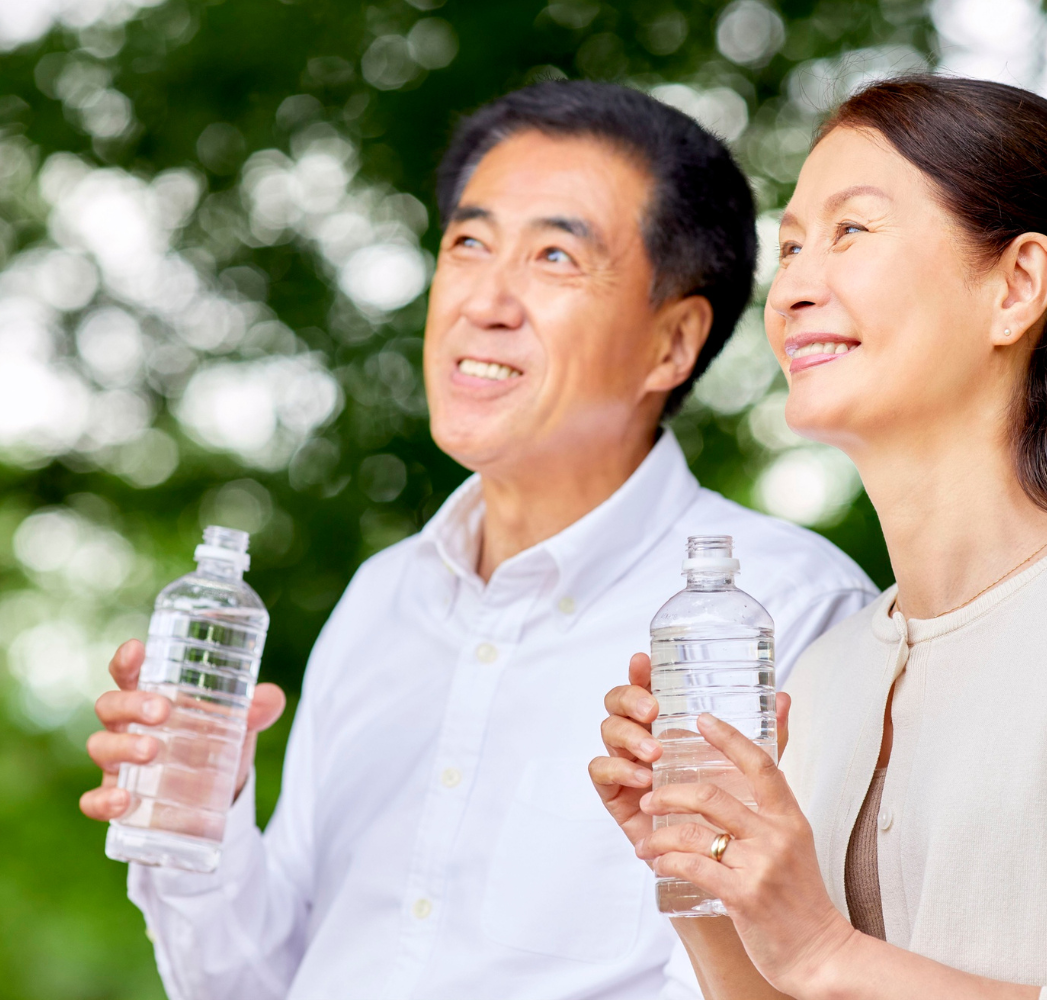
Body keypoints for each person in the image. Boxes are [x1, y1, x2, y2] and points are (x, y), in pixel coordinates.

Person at [78, 81, 877, 1000]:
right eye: (467, 243)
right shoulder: (382, 596)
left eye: (553, 257)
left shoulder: (782, 610)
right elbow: (259, 982)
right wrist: (198, 816)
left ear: (673, 343)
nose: (484, 300)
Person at [592, 75, 1047, 1000]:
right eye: (790, 246)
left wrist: (824, 950)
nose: (795, 289)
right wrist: (705, 872)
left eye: (851, 230)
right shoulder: (828, 673)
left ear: (1016, 286)